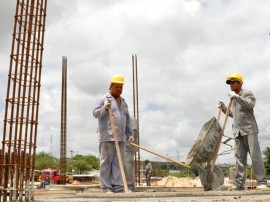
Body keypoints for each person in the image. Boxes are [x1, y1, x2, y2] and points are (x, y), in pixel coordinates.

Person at [218, 73, 267, 190]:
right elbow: (233, 114)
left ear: (240, 83)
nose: (231, 85)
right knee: (239, 158)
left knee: (255, 156)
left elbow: (250, 105)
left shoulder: (247, 93)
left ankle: (262, 181)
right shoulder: (233, 99)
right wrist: (224, 108)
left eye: (233, 82)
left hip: (249, 129)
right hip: (237, 131)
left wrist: (236, 96)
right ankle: (239, 184)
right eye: (229, 83)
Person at [93, 74, 134, 193]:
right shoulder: (103, 99)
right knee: (106, 162)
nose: (119, 90)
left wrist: (129, 133)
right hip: (107, 137)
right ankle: (106, 187)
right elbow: (95, 114)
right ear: (111, 86)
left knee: (118, 162)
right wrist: (105, 108)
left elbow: (127, 119)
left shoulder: (124, 102)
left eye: (121, 87)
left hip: (121, 138)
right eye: (117, 87)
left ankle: (118, 187)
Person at [124, 117, 139, 191]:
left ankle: (130, 187)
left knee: (128, 164)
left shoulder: (131, 119)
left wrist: (127, 139)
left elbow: (134, 132)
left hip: (129, 147)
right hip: (119, 146)